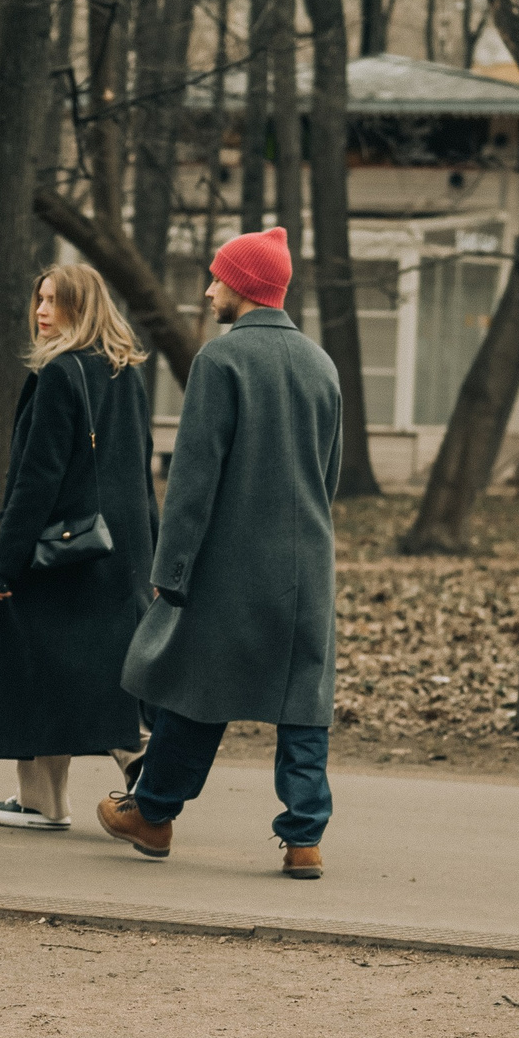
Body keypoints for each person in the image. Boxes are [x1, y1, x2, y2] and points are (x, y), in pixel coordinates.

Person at [102, 224, 341, 878]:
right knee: (303, 702)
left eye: (217, 278)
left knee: (195, 687)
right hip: (308, 568)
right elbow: (331, 473)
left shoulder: (221, 360)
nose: (209, 291)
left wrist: (170, 569)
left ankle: (152, 814)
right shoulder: (323, 365)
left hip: (229, 563)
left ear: (244, 286)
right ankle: (304, 840)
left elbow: (192, 481)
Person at [0, 262, 159, 830]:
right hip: (119, 553)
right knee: (96, 667)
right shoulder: (125, 373)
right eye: (38, 299)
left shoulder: (61, 373)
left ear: (80, 308)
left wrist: (4, 564)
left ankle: (50, 798)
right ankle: (130, 769)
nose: (40, 311)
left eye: (53, 301)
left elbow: (37, 478)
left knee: (37, 663)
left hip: (61, 554)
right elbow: (140, 468)